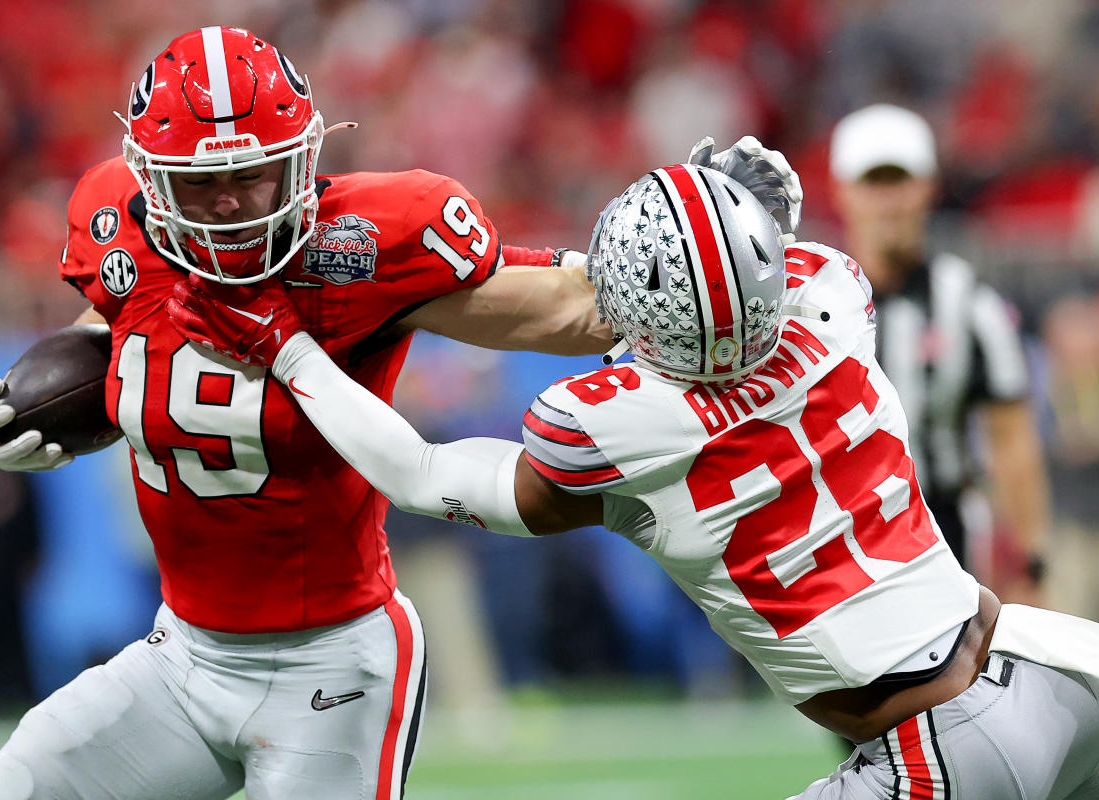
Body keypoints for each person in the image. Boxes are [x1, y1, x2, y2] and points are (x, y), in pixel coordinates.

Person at [0, 26, 801, 800]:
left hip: (333, 666)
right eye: (203, 183)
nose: (231, 205)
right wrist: (30, 420)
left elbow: (564, 309)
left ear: (302, 158)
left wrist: (714, 246)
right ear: (151, 181)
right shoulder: (117, 229)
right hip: (179, 655)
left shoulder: (365, 242)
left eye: (253, 175)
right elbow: (113, 326)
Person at [175, 154, 1099, 798]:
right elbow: (757, 266)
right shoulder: (832, 296)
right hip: (1050, 663)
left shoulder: (612, 425)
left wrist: (290, 353)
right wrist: (739, 212)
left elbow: (419, 472)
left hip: (943, 752)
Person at [828, 103, 1050, 603]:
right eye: (873, 183)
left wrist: (1032, 559)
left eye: (900, 181)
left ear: (928, 186)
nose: (889, 201)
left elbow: (1011, 438)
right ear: (842, 191)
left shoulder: (970, 303)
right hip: (835, 533)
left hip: (944, 533)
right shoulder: (807, 302)